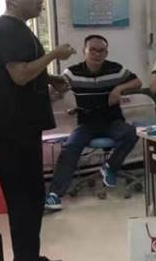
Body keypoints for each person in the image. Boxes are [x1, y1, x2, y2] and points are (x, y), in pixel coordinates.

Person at [0, 0, 75, 261]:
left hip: (23, 127)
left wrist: (49, 78)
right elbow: (20, 75)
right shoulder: (8, 29)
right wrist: (54, 55)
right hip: (12, 130)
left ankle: (29, 260)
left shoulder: (20, 29)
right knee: (23, 200)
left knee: (33, 198)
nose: (40, 1)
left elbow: (23, 70)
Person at [44, 35, 142, 212]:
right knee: (70, 147)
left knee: (132, 133)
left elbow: (138, 82)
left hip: (112, 121)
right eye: (93, 50)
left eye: (101, 51)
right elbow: (58, 88)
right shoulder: (73, 72)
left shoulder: (116, 69)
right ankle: (54, 195)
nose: (97, 54)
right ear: (85, 51)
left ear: (106, 53)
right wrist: (52, 94)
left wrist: (119, 88)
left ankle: (110, 167)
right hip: (87, 123)